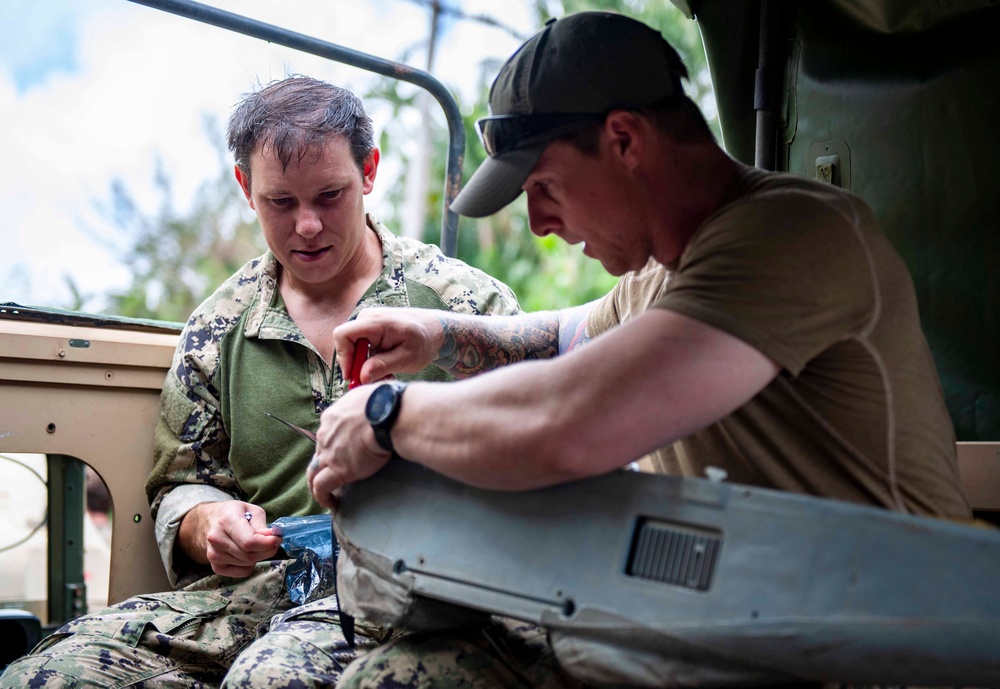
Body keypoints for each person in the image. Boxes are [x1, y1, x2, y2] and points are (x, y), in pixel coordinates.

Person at [306, 11, 972, 688]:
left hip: (878, 647)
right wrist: (440, 335)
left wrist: (385, 416)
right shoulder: (664, 271)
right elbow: (561, 341)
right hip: (723, 630)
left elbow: (571, 422)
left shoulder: (793, 236)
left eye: (544, 187)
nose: (539, 225)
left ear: (624, 139)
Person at [0, 75, 519, 688]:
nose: (306, 226)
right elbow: (182, 484)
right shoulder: (219, 327)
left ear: (370, 171)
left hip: (418, 595)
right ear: (246, 187)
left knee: (270, 680)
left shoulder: (465, 307)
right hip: (258, 594)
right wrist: (210, 527)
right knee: (51, 674)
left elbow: (537, 451)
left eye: (329, 196)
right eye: (281, 202)